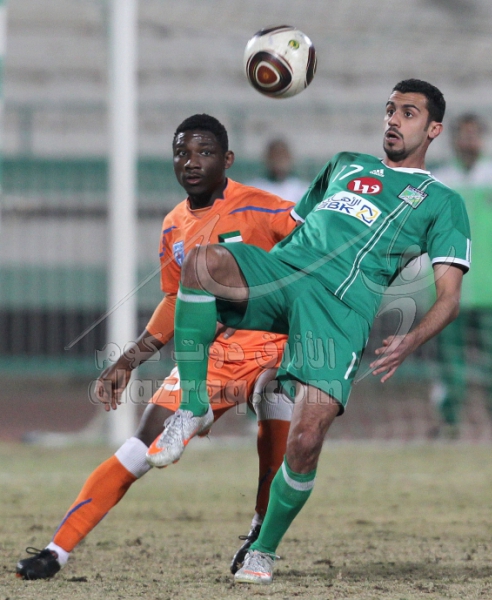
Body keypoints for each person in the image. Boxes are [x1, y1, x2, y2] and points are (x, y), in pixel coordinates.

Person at [145, 79, 472, 585]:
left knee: (305, 439)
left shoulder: (442, 201)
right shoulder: (344, 164)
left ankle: (263, 550)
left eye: (408, 113)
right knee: (202, 263)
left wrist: (411, 338)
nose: (393, 119)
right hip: (285, 273)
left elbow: (449, 297)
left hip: (340, 310)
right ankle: (193, 407)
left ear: (433, 130)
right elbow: (293, 230)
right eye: (389, 109)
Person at [15, 114, 297, 580]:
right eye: (182, 153)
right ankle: (55, 551)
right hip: (216, 355)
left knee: (277, 403)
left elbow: (313, 249)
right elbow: (173, 302)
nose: (192, 162)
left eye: (204, 152)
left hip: (279, 342)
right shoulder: (173, 226)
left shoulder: (264, 208)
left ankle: (259, 538)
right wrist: (127, 361)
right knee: (141, 446)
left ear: (227, 159)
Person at [431, 113, 492, 440]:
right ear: (453, 139)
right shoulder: (439, 181)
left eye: (474, 135)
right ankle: (449, 423)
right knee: (449, 363)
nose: (468, 141)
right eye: (463, 135)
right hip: (448, 290)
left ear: (483, 139)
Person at [247, 138, 309, 203]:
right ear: (267, 159)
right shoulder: (254, 190)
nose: (279, 160)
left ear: (290, 158)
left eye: (283, 156)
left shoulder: (302, 191)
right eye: (275, 155)